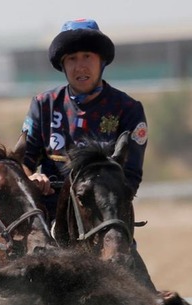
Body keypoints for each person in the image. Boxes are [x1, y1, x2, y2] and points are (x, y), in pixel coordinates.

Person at [17, 18, 154, 289]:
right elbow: (22, 162)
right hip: (48, 223)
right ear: (63, 65)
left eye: (88, 56)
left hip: (104, 224)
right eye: (72, 59)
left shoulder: (128, 109)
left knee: (144, 297)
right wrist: (33, 178)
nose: (80, 66)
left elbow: (130, 177)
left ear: (101, 61)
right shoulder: (43, 105)